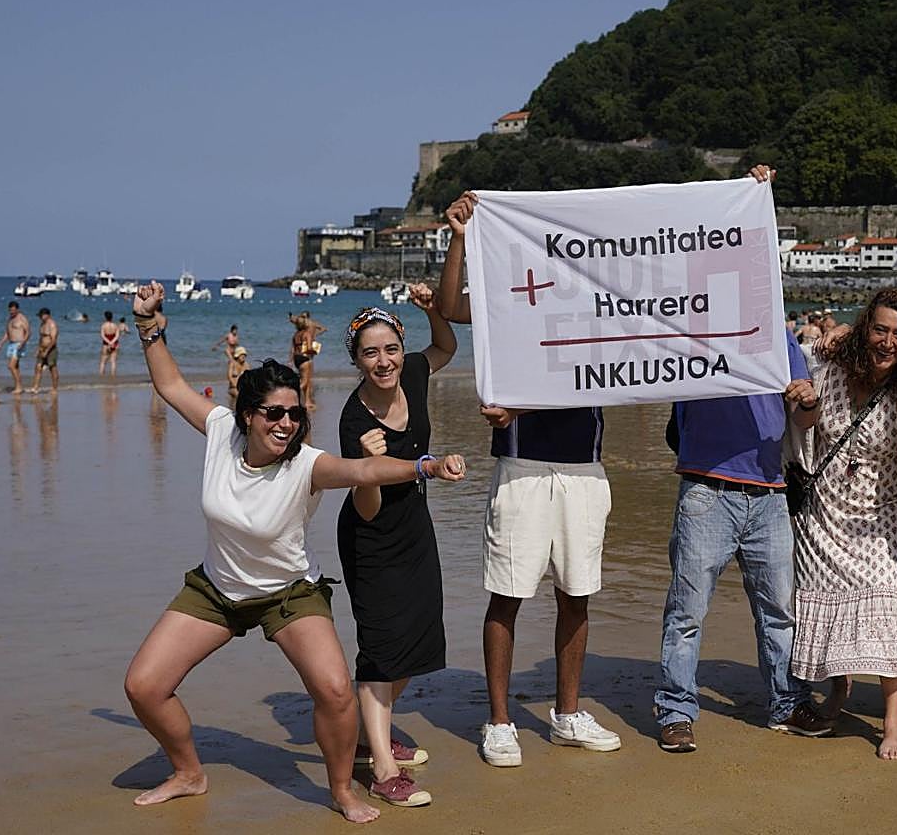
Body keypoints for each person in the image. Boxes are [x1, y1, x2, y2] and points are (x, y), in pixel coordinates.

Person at [120, 281, 465, 823]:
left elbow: (364, 470)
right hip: (216, 590)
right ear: (247, 415)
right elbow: (169, 383)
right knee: (143, 685)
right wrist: (148, 323)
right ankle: (188, 772)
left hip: (289, 594)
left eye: (293, 412)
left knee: (333, 691)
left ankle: (344, 789)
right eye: (272, 413)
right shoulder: (218, 432)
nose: (285, 423)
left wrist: (425, 466)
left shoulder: (307, 463)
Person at [650, 166, 832, 755]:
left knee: (779, 612)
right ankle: (677, 709)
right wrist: (737, 192)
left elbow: (803, 418)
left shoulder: (782, 340)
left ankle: (786, 701)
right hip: (707, 489)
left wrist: (807, 401)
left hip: (771, 491)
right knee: (687, 610)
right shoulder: (689, 332)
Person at [436, 190, 622, 768]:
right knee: (507, 597)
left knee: (577, 595)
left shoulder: (603, 305)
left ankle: (567, 715)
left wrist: (743, 197)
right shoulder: (514, 296)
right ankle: (498, 721)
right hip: (520, 468)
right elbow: (449, 307)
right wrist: (460, 238)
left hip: (584, 470)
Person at [786, 288, 897, 760]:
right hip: (822, 514)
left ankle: (892, 718)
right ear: (866, 330)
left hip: (879, 517)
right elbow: (803, 427)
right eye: (881, 330)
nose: (888, 342)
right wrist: (804, 401)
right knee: (826, 606)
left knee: (883, 605)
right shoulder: (830, 373)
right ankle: (839, 690)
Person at [336, 295, 458, 807]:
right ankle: (382, 768)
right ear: (356, 360)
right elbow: (365, 505)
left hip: (415, 526)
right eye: (370, 354)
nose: (383, 361)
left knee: (419, 634)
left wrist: (434, 310)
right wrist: (372, 465)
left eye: (389, 349)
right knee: (383, 645)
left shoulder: (412, 372)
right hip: (372, 536)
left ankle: (370, 733)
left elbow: (446, 347)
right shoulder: (352, 420)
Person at [0, 300, 30, 394]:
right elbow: (7, 333)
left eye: (13, 310)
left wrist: (23, 343)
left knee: (11, 366)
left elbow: (28, 332)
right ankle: (19, 386)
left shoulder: (22, 318)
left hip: (18, 344)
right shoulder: (10, 319)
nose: (12, 312)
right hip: (11, 344)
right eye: (10, 310)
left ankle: (18, 387)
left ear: (17, 309)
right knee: (15, 367)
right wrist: (0, 344)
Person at [28, 307, 59, 394]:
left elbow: (53, 340)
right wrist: (38, 349)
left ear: (47, 315)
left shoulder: (52, 324)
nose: (40, 317)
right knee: (38, 368)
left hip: (51, 349)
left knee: (52, 368)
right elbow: (41, 338)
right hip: (42, 348)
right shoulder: (42, 324)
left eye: (41, 315)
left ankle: (54, 388)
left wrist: (47, 351)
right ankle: (35, 387)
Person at [290, 315, 318, 408]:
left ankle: (307, 402)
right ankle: (291, 393)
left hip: (297, 358)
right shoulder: (307, 334)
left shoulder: (296, 335)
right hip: (305, 358)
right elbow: (309, 348)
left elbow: (293, 349)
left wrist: (290, 360)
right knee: (305, 382)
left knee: (307, 381)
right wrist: (315, 350)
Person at [100, 311, 120, 376]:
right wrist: (112, 342)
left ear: (105, 317)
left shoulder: (104, 325)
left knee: (103, 362)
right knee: (113, 362)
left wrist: (109, 342)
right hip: (115, 344)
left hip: (106, 344)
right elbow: (117, 336)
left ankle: (101, 376)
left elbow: (103, 336)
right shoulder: (115, 325)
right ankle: (113, 375)